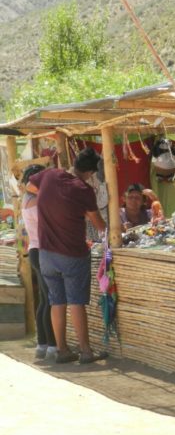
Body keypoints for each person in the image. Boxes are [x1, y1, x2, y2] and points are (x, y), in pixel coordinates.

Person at [26, 147, 108, 365]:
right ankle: (85, 351)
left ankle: (62, 350)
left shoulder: (49, 175)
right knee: (76, 302)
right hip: (72, 253)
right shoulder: (83, 190)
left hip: (46, 254)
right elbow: (99, 225)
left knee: (56, 302)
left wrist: (49, 202)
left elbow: (29, 185)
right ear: (91, 172)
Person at [20, 164, 57, 360]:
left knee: (45, 300)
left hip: (36, 250)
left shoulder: (30, 198)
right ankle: (51, 345)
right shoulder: (34, 201)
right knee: (50, 300)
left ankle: (43, 344)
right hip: (41, 251)